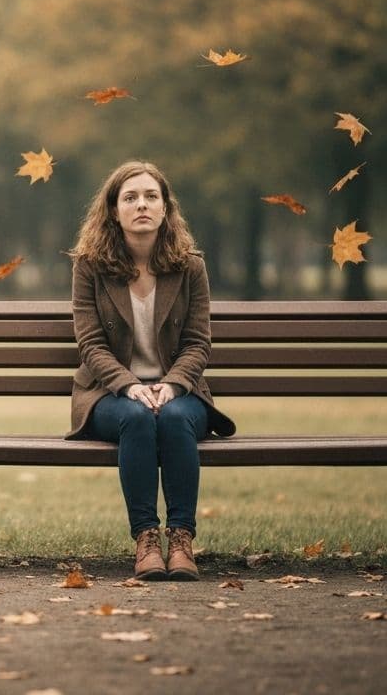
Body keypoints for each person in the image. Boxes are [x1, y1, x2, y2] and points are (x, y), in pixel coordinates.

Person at [66, 160, 235, 580]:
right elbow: (90, 344)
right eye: (130, 197)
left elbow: (198, 342)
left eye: (150, 196)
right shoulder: (90, 265)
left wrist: (174, 386)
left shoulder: (190, 266)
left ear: (165, 208)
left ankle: (181, 539)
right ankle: (146, 540)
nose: (141, 204)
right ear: (113, 210)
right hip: (109, 396)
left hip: (181, 393)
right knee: (138, 419)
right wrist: (128, 386)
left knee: (175, 418)